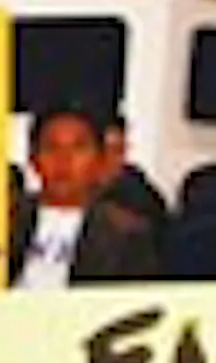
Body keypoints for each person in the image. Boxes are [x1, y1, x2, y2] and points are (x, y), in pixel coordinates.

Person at [10, 100, 159, 288]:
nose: (63, 161)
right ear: (33, 159)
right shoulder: (4, 220)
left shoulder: (127, 234)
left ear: (100, 159)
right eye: (51, 147)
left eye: (78, 147)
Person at [99, 110, 169, 245]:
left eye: (119, 150)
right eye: (106, 150)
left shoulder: (138, 189)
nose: (112, 159)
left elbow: (158, 230)